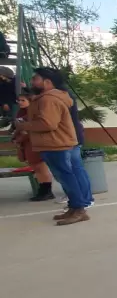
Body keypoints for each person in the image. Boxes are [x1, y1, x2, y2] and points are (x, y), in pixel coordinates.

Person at [16, 67, 93, 225]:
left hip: (55, 143)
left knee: (67, 176)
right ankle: (74, 207)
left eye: (35, 79)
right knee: (66, 176)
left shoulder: (49, 99)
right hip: (57, 143)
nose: (33, 81)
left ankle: (79, 209)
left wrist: (24, 126)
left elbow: (48, 123)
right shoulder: (49, 97)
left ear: (48, 82)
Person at [11, 92, 56, 201]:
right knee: (36, 167)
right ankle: (42, 190)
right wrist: (15, 137)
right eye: (19, 100)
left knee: (41, 166)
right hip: (26, 144)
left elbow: (30, 129)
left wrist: (21, 137)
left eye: (23, 100)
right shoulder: (20, 113)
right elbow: (19, 128)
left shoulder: (33, 114)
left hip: (35, 143)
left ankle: (47, 191)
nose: (20, 102)